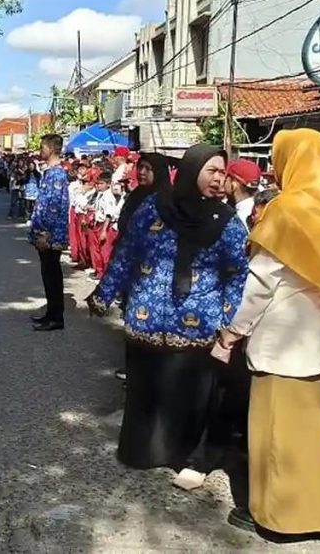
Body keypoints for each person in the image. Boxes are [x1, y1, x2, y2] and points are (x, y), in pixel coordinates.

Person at [217, 129, 320, 538]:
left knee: (276, 432)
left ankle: (277, 516)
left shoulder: (286, 211)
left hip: (282, 341)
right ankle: (317, 511)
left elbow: (261, 283)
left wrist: (233, 331)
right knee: (312, 431)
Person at [89, 144, 248, 484]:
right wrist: (104, 294)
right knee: (147, 391)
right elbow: (127, 254)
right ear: (191, 171)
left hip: (197, 326)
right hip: (146, 319)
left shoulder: (227, 223)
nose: (219, 179)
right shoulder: (153, 207)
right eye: (211, 171)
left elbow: (237, 274)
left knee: (189, 397)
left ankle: (187, 457)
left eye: (223, 173)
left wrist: (227, 321)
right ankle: (144, 452)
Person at [29, 135, 71, 331]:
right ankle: (50, 314)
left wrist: (45, 233)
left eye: (43, 147)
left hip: (50, 235)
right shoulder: (50, 172)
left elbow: (53, 207)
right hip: (45, 232)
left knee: (52, 275)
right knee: (48, 274)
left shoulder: (56, 174)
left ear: (52, 149)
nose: (40, 150)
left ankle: (55, 317)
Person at [225, 159, 261, 229]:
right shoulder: (262, 211)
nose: (223, 180)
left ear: (234, 184)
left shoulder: (238, 219)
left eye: (226, 177)